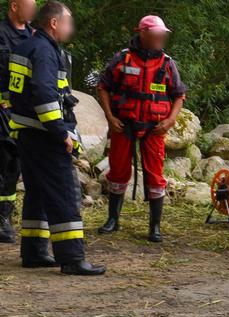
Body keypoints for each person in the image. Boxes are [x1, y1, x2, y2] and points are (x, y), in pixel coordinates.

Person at [8, 1, 103, 274]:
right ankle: (73, 258)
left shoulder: (26, 46)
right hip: (45, 134)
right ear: (53, 23)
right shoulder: (45, 51)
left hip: (27, 133)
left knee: (37, 192)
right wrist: (61, 133)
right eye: (68, 22)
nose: (70, 28)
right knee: (64, 192)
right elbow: (44, 94)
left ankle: (35, 252)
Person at [96, 15, 186, 243]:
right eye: (157, 34)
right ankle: (113, 220)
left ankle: (155, 227)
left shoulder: (167, 63)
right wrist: (109, 116)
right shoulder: (123, 58)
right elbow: (103, 86)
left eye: (162, 35)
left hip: (154, 128)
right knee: (117, 172)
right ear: (143, 33)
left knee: (156, 176)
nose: (161, 38)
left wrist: (170, 120)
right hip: (123, 125)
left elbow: (179, 95)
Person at [0, 0, 36, 244]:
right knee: (3, 160)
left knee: (15, 164)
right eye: (29, 5)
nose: (33, 10)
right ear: (14, 6)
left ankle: (6, 215)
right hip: (1, 108)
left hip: (24, 111)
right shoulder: (1, 33)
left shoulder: (36, 35)